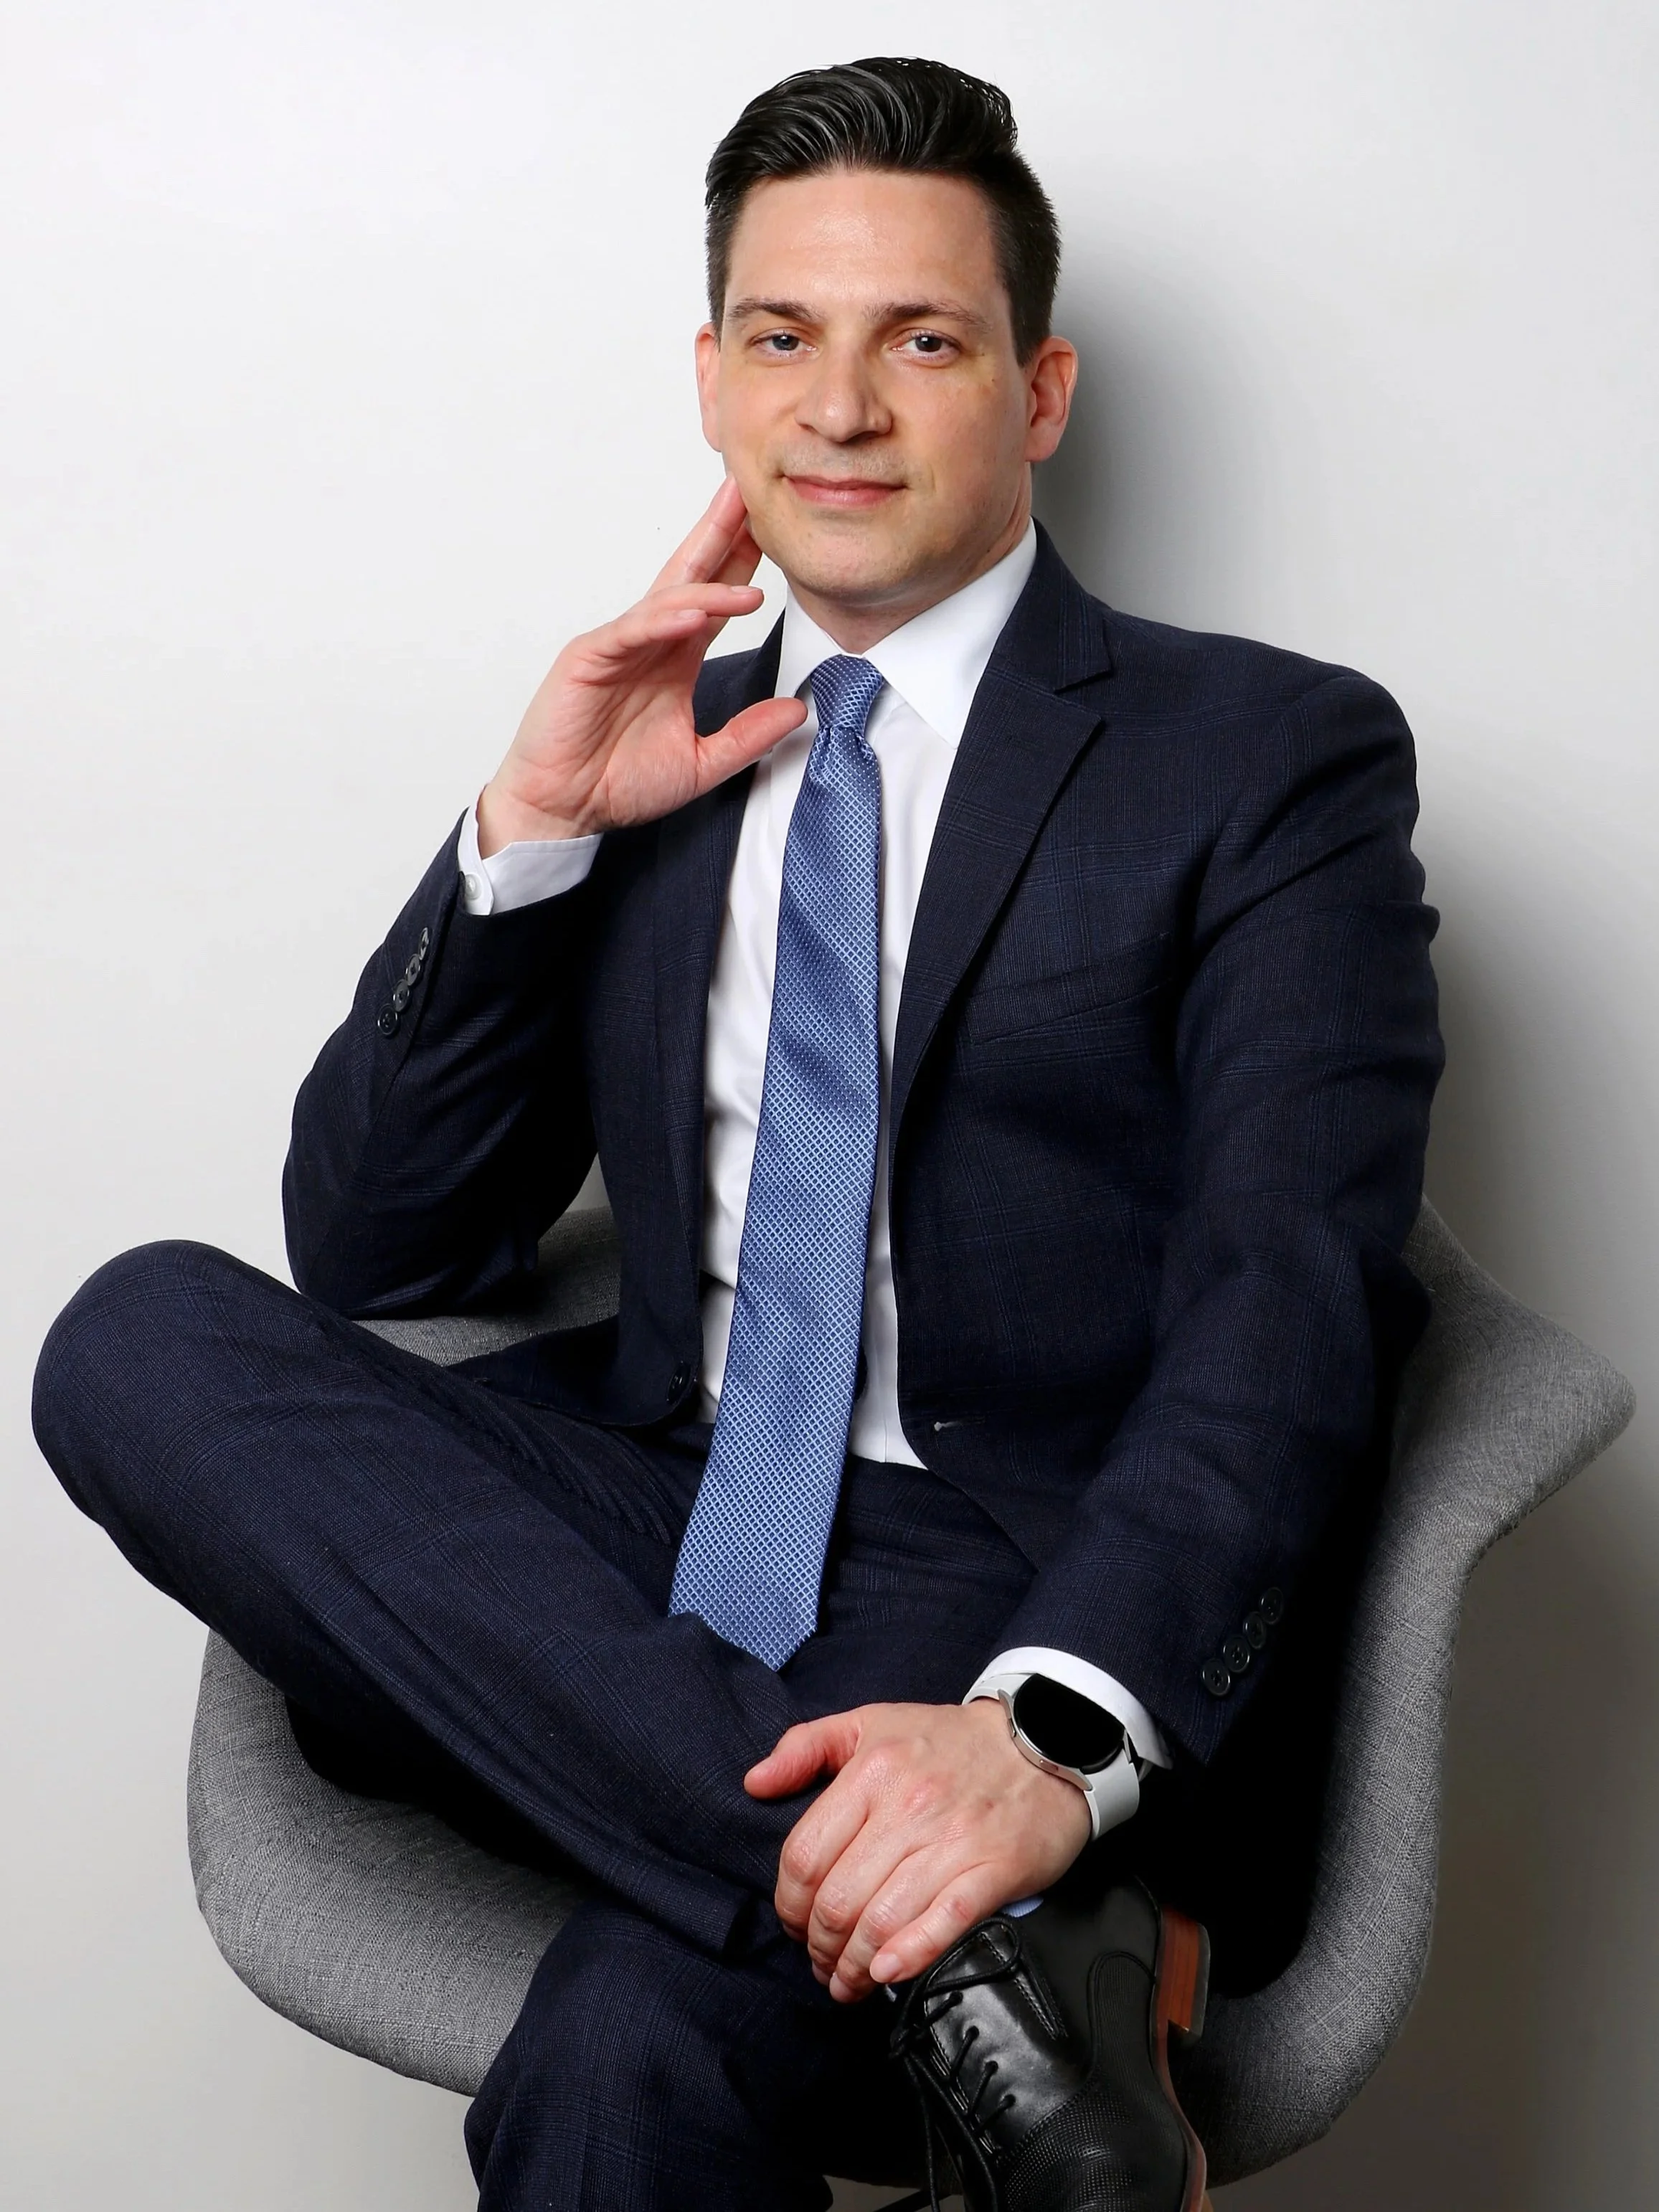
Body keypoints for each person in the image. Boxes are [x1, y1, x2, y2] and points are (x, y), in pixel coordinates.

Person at [32, 55, 1442, 2212]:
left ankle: (957, 1865)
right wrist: (527, 831)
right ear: (712, 380)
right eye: (784, 337)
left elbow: (1294, 1295)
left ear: (1040, 390)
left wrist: (1049, 1739)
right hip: (646, 1544)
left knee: (625, 2053)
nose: (842, 407)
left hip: (998, 1577)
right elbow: (382, 1246)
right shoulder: (653, 727)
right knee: (130, 1332)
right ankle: (980, 1950)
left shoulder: (1262, 755)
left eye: (925, 340)